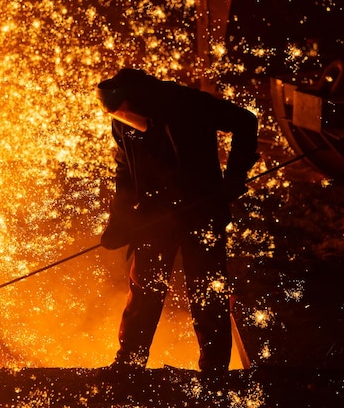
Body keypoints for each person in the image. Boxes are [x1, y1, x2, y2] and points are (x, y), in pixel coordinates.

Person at [96, 68, 259, 377]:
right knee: (145, 289)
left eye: (126, 113)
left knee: (207, 291)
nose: (124, 120)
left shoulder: (188, 104)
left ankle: (214, 371)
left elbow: (245, 121)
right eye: (119, 116)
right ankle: (129, 364)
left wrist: (235, 175)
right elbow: (125, 172)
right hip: (155, 217)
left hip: (201, 210)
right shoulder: (123, 122)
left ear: (141, 99)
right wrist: (120, 219)